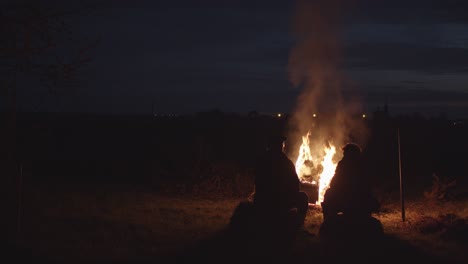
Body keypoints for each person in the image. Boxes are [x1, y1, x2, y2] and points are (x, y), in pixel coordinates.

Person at [252, 134, 309, 230]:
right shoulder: (286, 163)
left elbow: (258, 182)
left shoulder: (262, 160)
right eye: (281, 144)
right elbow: (295, 185)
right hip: (281, 201)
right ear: (280, 146)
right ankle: (298, 225)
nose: (283, 146)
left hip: (262, 200)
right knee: (303, 197)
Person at [321, 142, 380, 220]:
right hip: (362, 199)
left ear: (349, 155)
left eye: (345, 154)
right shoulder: (365, 165)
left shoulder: (343, 165)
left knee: (329, 193)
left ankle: (328, 223)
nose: (343, 156)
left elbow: (334, 183)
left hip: (348, 199)